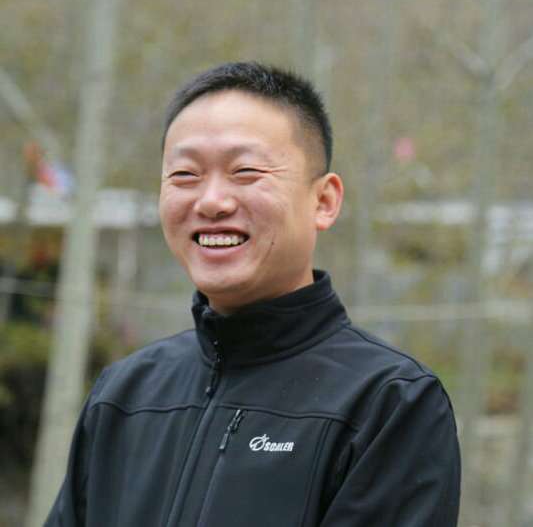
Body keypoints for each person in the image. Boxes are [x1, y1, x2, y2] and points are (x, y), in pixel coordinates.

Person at [46, 62, 460, 526]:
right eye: (185, 175)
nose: (211, 201)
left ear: (324, 201)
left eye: (245, 171)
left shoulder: (387, 402)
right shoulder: (125, 394)